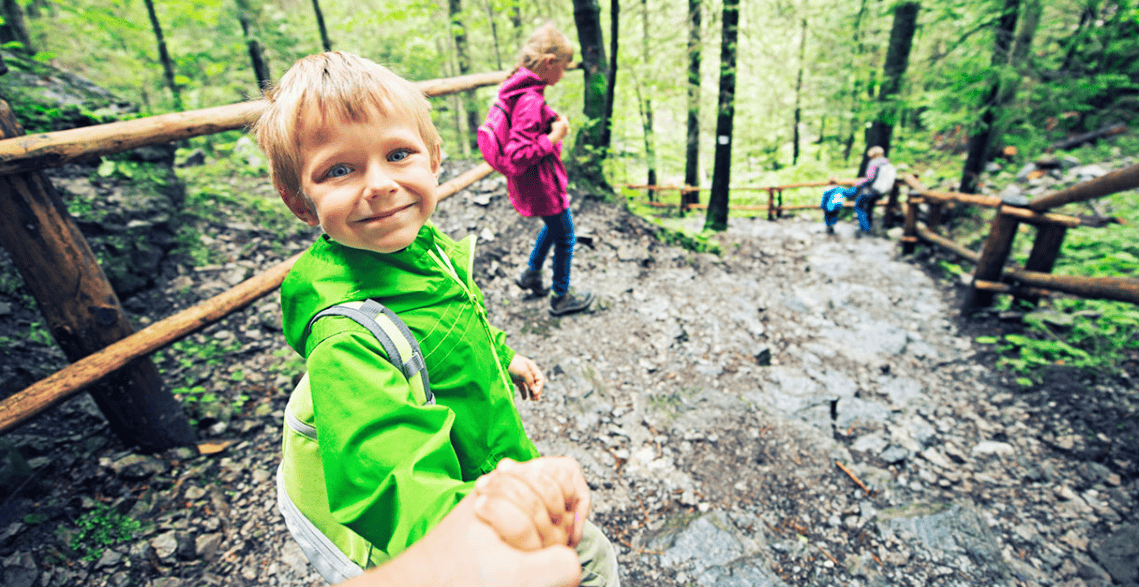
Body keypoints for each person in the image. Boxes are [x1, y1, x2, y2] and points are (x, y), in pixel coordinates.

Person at [252, 51, 618, 586]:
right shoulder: (346, 336)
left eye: (398, 154)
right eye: (339, 170)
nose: (378, 183)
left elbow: (456, 318)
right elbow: (394, 477)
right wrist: (492, 527)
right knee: (589, 558)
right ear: (301, 203)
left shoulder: (426, 250)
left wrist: (504, 355)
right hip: (451, 521)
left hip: (486, 458)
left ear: (434, 159)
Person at [338, 457, 591, 587]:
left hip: (501, 486)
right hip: (481, 522)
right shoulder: (347, 361)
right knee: (590, 553)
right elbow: (394, 482)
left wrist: (506, 359)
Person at [496, 23, 594, 316]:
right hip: (542, 183)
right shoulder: (530, 100)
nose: (564, 74)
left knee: (553, 227)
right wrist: (555, 136)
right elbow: (519, 153)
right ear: (549, 64)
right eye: (563, 68)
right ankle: (560, 297)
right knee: (566, 236)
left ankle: (531, 275)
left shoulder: (524, 90)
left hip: (538, 182)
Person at [851, 145, 897, 236]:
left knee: (859, 206)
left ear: (874, 154)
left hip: (871, 190)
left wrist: (858, 183)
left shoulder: (874, 163)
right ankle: (869, 226)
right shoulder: (887, 163)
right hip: (881, 191)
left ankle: (864, 228)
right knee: (869, 207)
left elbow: (870, 178)